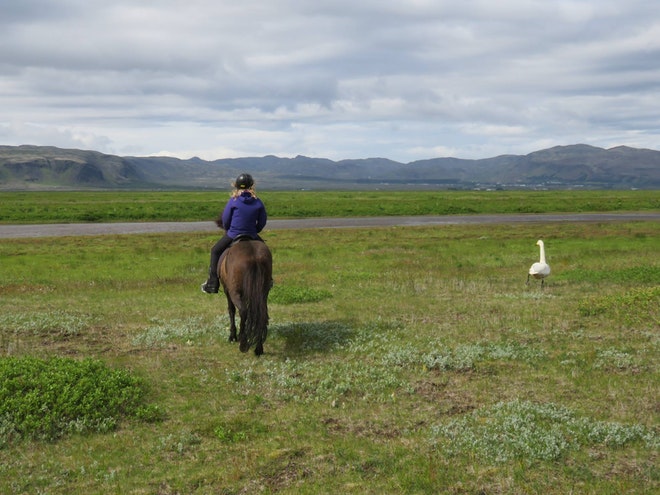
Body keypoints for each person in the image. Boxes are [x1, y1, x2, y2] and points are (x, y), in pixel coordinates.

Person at [201, 173, 267, 293]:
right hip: (252, 234)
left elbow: (226, 219)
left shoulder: (233, 201)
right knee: (265, 252)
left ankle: (212, 283)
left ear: (236, 186)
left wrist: (229, 230)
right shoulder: (258, 202)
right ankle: (268, 280)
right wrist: (255, 231)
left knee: (215, 251)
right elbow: (262, 221)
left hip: (233, 234)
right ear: (252, 186)